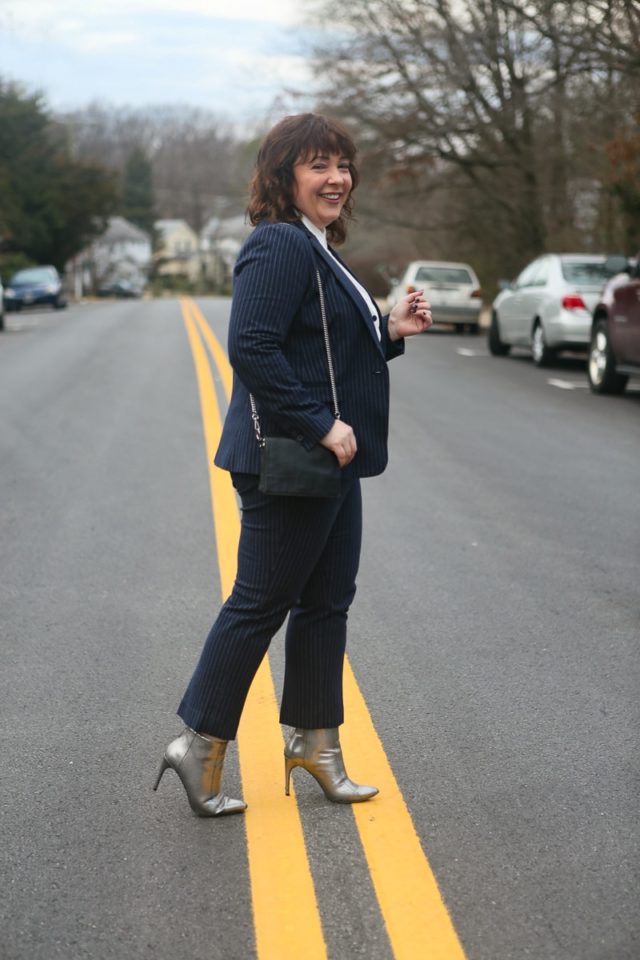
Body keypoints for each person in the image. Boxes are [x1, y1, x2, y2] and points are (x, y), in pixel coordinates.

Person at [154, 113, 432, 816]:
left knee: (326, 604)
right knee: (259, 605)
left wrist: (387, 331)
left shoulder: (317, 248)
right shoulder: (279, 245)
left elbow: (320, 351)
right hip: (292, 459)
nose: (336, 178)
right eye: (317, 165)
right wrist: (320, 425)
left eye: (341, 164)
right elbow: (250, 346)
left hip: (328, 460)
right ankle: (199, 743)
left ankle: (316, 743)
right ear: (284, 178)